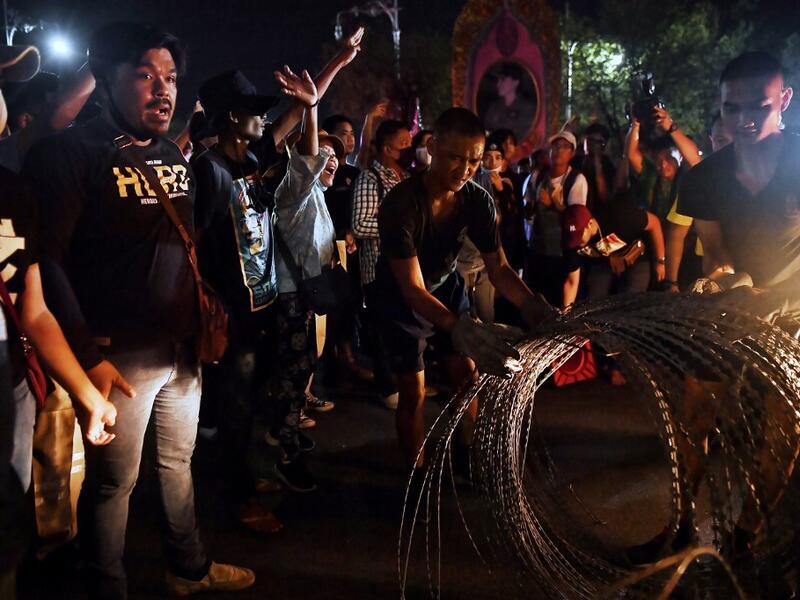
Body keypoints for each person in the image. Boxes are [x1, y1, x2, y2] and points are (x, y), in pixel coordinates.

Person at [22, 22, 254, 598]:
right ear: (107, 78)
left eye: (170, 77)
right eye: (146, 75)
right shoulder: (70, 153)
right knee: (112, 484)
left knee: (178, 463)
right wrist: (86, 357)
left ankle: (188, 568)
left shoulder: (174, 153)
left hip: (182, 349)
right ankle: (107, 585)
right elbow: (50, 266)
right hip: (117, 357)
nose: (163, 89)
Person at [671, 51, 800, 563]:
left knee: (785, 427)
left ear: (784, 99)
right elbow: (715, 250)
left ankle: (744, 534)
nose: (743, 119)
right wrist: (724, 280)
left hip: (793, 311)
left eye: (758, 107)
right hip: (730, 307)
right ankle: (679, 524)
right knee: (694, 414)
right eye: (731, 108)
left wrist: (774, 297)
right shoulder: (705, 177)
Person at [373, 107, 553, 470]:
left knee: (468, 377)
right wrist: (458, 328)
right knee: (414, 391)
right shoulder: (401, 205)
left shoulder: (477, 199)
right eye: (456, 158)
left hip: (446, 287)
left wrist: (532, 306)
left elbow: (499, 267)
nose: (465, 169)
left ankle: (468, 455)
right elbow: (412, 288)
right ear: (433, 148)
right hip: (402, 298)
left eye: (473, 160)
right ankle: (417, 475)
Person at [191, 70, 284, 535]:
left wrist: (310, 101)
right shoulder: (207, 170)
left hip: (261, 304)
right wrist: (209, 305)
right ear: (232, 116)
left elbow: (291, 129)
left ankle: (242, 477)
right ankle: (236, 498)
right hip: (231, 309)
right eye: (256, 112)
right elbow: (194, 241)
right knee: (235, 407)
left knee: (251, 402)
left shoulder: (248, 160)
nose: (264, 120)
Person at [270, 55, 356, 491]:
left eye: (336, 155)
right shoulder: (295, 190)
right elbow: (306, 158)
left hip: (305, 295)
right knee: (290, 375)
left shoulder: (318, 195)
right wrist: (311, 107)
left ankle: (286, 433)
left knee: (301, 368)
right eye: (325, 153)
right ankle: (282, 452)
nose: (331, 160)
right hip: (290, 296)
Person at [352, 119, 411, 409]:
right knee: (381, 329)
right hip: (378, 267)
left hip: (405, 267)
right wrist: (400, 229)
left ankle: (406, 383)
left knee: (404, 329)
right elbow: (360, 224)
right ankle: (387, 387)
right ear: (387, 149)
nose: (410, 148)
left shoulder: (405, 176)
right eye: (404, 145)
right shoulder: (369, 178)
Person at [664, 111, 733, 291]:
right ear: (712, 140)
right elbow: (677, 232)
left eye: (736, 138)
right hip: (712, 272)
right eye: (721, 140)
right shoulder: (700, 180)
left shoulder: (772, 178)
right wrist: (671, 283)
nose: (730, 147)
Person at [526, 130, 588, 307]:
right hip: (537, 249)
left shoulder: (576, 180)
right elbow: (527, 210)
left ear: (572, 153)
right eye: (556, 146)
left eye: (565, 147)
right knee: (536, 301)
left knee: (558, 303)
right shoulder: (537, 176)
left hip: (562, 253)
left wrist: (553, 205)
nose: (559, 150)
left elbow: (577, 219)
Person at [483, 63, 537, 144]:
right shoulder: (494, 108)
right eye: (498, 80)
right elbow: (486, 131)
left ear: (515, 83)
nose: (498, 84)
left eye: (503, 79)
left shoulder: (527, 109)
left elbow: (526, 137)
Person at [571, 122, 615, 210]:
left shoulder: (607, 164)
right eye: (590, 140)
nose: (593, 145)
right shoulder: (575, 160)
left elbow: (605, 198)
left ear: (603, 146)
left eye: (598, 142)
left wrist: (597, 165)